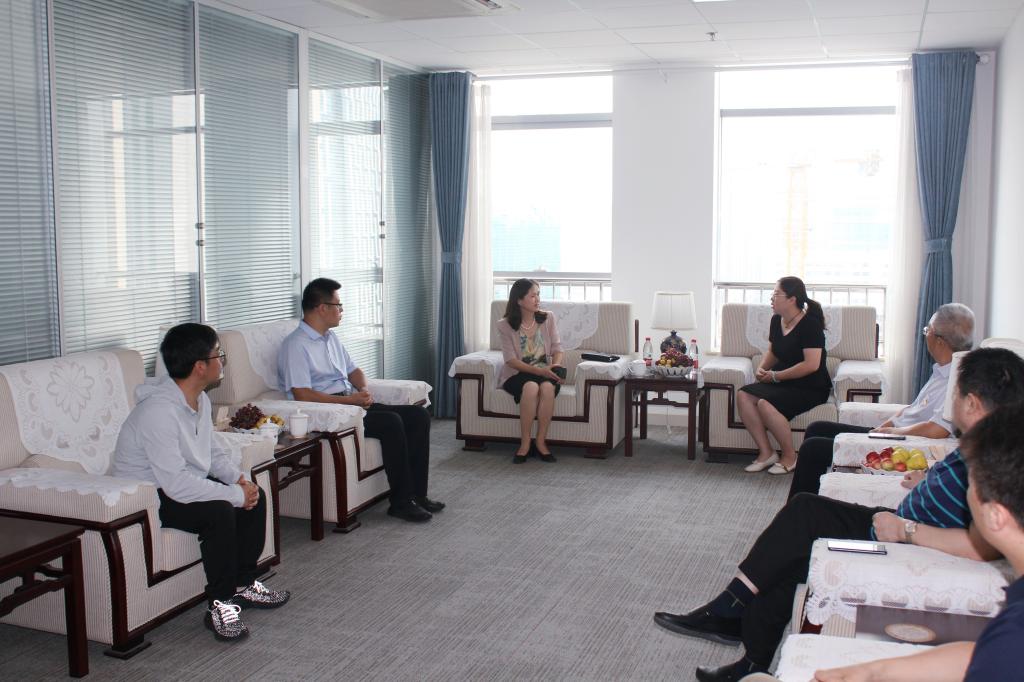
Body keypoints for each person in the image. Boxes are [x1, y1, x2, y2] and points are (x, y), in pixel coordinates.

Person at [652, 347, 1024, 682]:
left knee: (803, 514)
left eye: (955, 393)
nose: (950, 400)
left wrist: (905, 530)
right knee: (794, 550)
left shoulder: (991, 460)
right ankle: (748, 650)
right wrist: (928, 479)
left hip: (904, 537)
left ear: (972, 403)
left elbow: (980, 546)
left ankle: (732, 609)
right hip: (901, 522)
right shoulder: (993, 443)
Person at [812, 403, 1024, 681]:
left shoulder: (1013, 636)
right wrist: (873, 672)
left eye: (971, 486)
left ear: (995, 516)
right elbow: (982, 656)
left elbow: (996, 658)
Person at [112, 323, 290, 643]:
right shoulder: (158, 412)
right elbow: (175, 485)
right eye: (218, 355)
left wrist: (239, 480)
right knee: (220, 511)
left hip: (177, 482)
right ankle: (219, 605)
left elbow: (210, 453)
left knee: (254, 495)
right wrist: (233, 495)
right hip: (147, 497)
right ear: (200, 366)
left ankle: (244, 584)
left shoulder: (199, 400)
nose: (223, 361)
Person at [278, 277, 443, 523]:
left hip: (350, 404)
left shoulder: (330, 338)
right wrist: (351, 402)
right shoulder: (295, 345)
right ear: (322, 308)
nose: (342, 310)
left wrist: (363, 390)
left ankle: (418, 495)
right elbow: (302, 394)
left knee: (418, 415)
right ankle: (400, 503)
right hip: (330, 413)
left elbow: (354, 371)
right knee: (391, 422)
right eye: (338, 305)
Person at [788, 303, 975, 498]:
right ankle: (808, 500)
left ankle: (802, 504)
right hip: (893, 433)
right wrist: (886, 425)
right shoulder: (942, 370)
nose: (924, 334)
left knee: (812, 449)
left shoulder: (956, 381)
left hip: (902, 443)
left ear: (940, 341)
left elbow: (937, 430)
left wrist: (893, 431)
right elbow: (913, 409)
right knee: (817, 428)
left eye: (927, 330)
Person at [739, 276, 832, 474]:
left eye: (776, 294)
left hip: (810, 385)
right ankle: (767, 453)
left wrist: (776, 376)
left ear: (792, 299)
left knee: (764, 403)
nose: (771, 299)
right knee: (743, 395)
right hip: (782, 379)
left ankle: (790, 457)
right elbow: (773, 351)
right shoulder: (776, 320)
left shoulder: (810, 324)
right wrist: (762, 369)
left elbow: (811, 364)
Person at [496, 278, 565, 464]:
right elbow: (511, 360)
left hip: (545, 371)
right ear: (519, 300)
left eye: (538, 295)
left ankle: (541, 442)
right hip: (518, 374)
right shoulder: (505, 325)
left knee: (547, 388)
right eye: (533, 296)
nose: (537, 299)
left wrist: (555, 366)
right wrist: (540, 372)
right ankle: (525, 443)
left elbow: (558, 349)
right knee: (531, 387)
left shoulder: (548, 318)